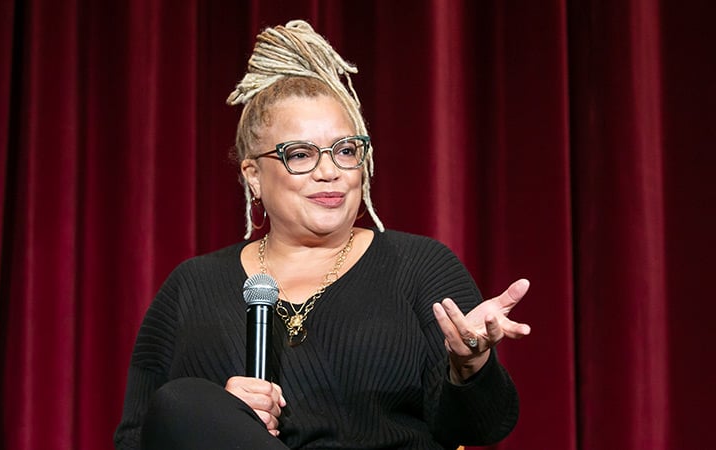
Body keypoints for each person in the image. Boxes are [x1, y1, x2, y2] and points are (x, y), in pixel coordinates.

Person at [114, 19, 531, 450]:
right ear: (253, 175)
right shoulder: (192, 287)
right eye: (300, 155)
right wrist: (218, 420)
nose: (329, 171)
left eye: (345, 151)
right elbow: (135, 439)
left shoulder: (420, 268)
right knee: (184, 402)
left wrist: (470, 365)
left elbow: (482, 428)